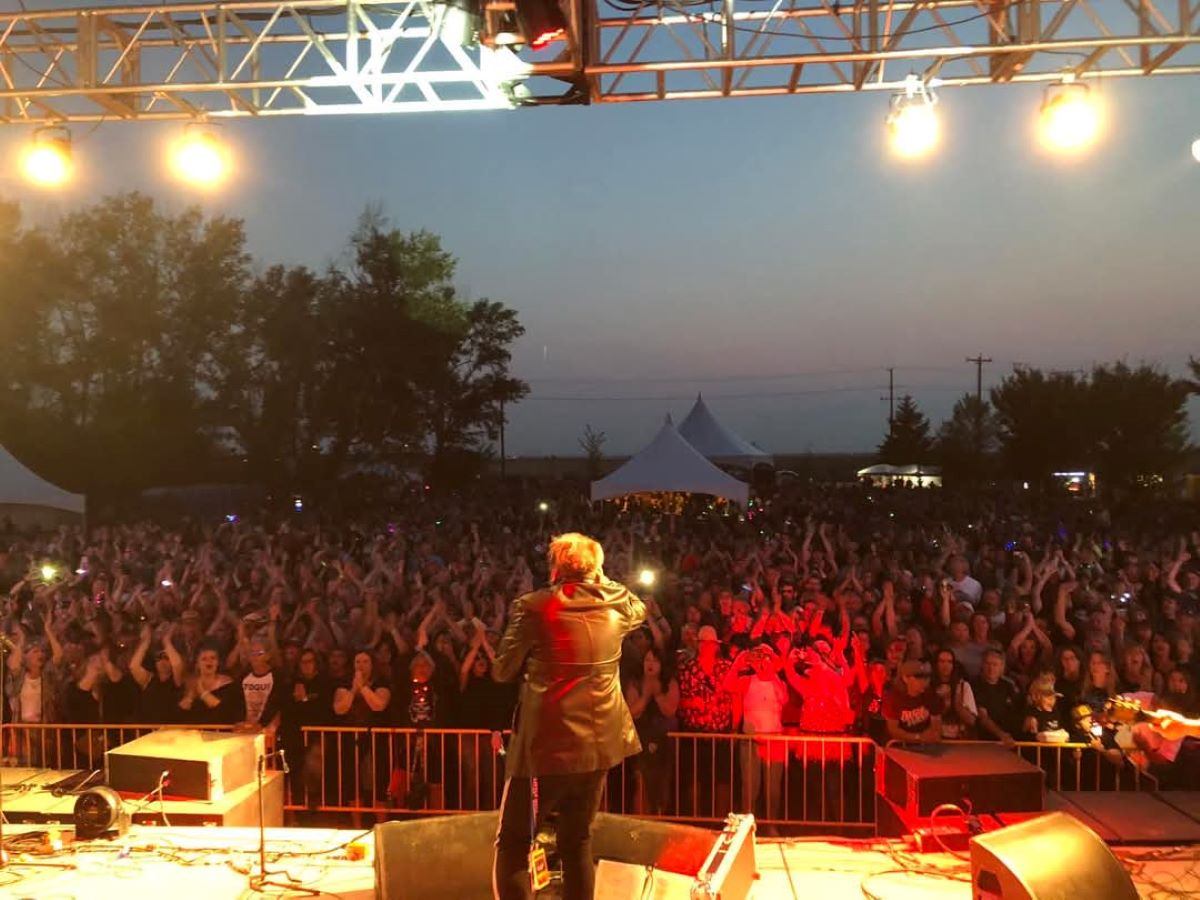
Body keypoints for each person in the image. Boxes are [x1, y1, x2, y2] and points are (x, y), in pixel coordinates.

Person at [491, 533, 646, 900]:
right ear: (597, 568)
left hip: (546, 747)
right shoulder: (618, 602)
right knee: (577, 838)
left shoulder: (536, 606)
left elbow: (501, 670)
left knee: (514, 841)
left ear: (556, 566)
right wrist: (602, 579)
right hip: (600, 745)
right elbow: (639, 608)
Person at [882, 659, 943, 743]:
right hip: (898, 747)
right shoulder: (893, 697)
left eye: (927, 677)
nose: (924, 681)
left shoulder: (931, 695)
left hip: (926, 746)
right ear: (905, 678)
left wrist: (928, 736)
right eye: (918, 677)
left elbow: (936, 726)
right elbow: (893, 730)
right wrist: (918, 737)